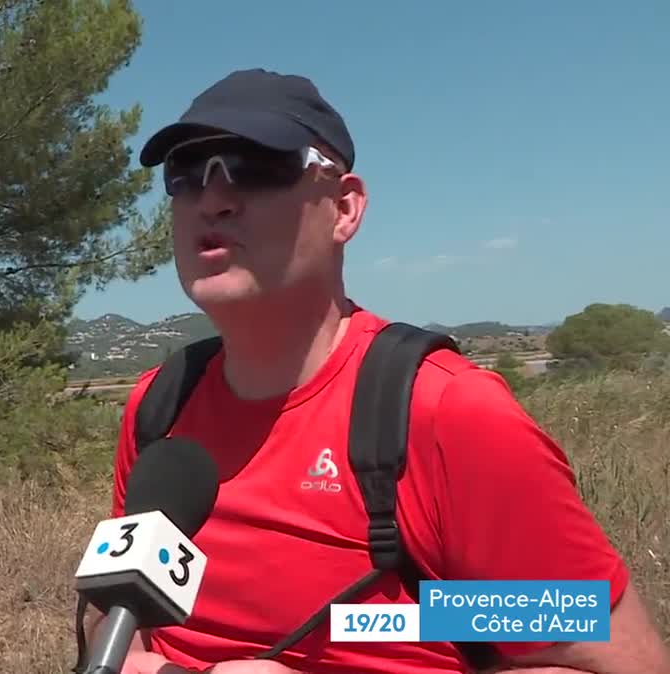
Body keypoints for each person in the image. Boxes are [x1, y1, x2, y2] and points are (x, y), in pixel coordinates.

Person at [81, 69, 670, 674]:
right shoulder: (160, 406)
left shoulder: (445, 414)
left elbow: (620, 663)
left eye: (257, 164)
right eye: (185, 172)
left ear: (344, 207)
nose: (214, 197)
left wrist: (396, 619)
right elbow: (124, 616)